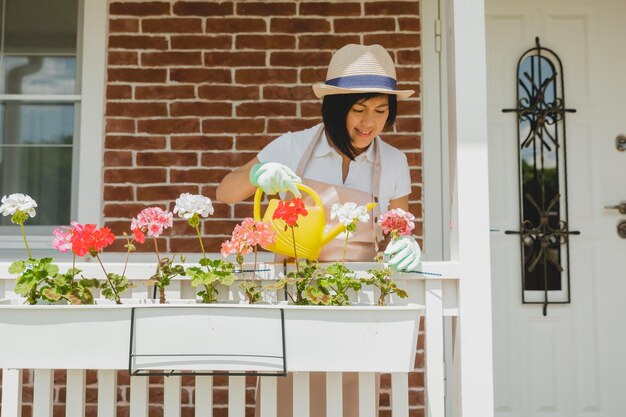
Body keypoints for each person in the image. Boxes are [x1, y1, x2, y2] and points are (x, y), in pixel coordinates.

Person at [216, 43, 421, 272]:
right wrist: (256, 175)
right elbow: (225, 193)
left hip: (363, 290)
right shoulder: (292, 146)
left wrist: (405, 243)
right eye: (358, 110)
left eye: (380, 111)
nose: (369, 123)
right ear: (335, 108)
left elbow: (400, 231)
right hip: (294, 289)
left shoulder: (395, 162)